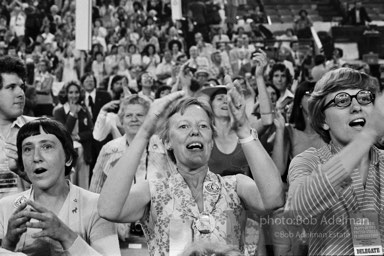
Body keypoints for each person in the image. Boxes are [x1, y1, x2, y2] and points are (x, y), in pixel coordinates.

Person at [98, 88, 284, 255]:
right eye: (183, 126)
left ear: (211, 141)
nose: (195, 131)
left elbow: (274, 199)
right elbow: (108, 209)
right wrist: (145, 132)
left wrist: (243, 129)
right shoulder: (153, 191)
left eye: (203, 126)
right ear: (167, 143)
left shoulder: (236, 185)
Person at [285, 67, 384, 255]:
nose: (356, 107)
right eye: (342, 101)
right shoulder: (309, 161)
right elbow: (295, 210)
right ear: (323, 119)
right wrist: (368, 135)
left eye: (364, 98)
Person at [0, 118, 120, 255]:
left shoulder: (97, 207)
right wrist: (8, 243)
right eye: (27, 149)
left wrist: (67, 236)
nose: (36, 157)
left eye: (47, 147)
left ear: (68, 158)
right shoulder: (5, 208)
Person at [0, 56, 34, 200]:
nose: (21, 93)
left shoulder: (40, 129)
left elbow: (62, 185)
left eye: (22, 87)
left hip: (33, 219)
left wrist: (24, 172)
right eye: (11, 87)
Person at [53, 81, 93, 190]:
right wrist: (72, 114)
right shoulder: (59, 111)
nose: (74, 95)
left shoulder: (84, 110)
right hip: (67, 155)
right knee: (69, 187)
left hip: (84, 153)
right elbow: (62, 133)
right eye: (70, 92)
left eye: (76, 92)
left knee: (84, 186)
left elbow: (91, 131)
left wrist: (78, 136)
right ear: (66, 94)